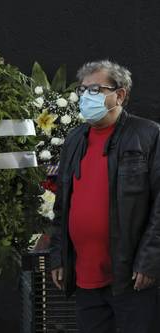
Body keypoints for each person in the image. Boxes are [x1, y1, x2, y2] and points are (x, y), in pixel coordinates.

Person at [50, 60, 159, 333]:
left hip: (131, 276)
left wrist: (149, 261)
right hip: (86, 276)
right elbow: (63, 205)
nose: (86, 96)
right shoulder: (75, 139)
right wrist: (59, 257)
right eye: (84, 89)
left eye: (96, 89)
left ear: (119, 95)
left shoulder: (148, 135)